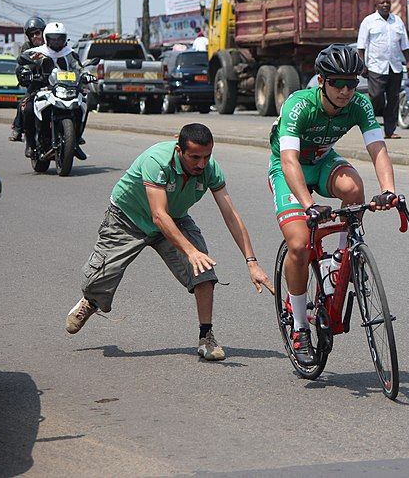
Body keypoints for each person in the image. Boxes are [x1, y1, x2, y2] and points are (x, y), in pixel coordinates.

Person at [66, 123, 274, 362]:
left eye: (207, 156)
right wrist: (190, 251)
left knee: (204, 271)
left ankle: (206, 336)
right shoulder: (157, 161)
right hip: (128, 217)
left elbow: (231, 215)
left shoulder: (210, 170)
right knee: (100, 278)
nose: (201, 164)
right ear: (179, 150)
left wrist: (252, 262)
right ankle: (91, 301)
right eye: (194, 157)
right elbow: (158, 216)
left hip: (174, 218)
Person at [268, 44, 398, 366]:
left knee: (353, 190)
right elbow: (288, 159)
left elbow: (377, 147)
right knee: (299, 244)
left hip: (324, 161)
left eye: (352, 83)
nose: (345, 91)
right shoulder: (299, 105)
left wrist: (389, 190)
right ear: (321, 80)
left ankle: (341, 261)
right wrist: (309, 204)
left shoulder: (359, 103)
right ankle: (299, 326)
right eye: (338, 83)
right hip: (290, 169)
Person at [18, 22, 87, 159]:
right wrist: (25, 71)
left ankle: (75, 140)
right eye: (53, 39)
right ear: (47, 38)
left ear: (64, 39)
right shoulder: (39, 52)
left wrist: (86, 74)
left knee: (83, 105)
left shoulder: (70, 54)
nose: (56, 42)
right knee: (28, 109)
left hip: (67, 89)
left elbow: (78, 67)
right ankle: (31, 145)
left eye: (59, 39)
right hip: (43, 89)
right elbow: (23, 60)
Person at [357, 0, 409, 139]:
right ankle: (368, 122)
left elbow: (404, 45)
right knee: (376, 96)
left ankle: (389, 131)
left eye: (388, 2)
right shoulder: (369, 21)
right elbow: (361, 46)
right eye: (382, 3)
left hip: (395, 66)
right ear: (376, 5)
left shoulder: (397, 21)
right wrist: (363, 65)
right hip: (376, 66)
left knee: (393, 99)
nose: (385, 5)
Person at [9, 16, 46, 142]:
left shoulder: (52, 44)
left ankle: (74, 137)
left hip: (54, 82)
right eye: (32, 34)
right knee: (25, 105)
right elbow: (23, 64)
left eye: (37, 33)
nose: (35, 36)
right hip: (36, 82)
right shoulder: (27, 47)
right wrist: (26, 73)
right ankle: (19, 130)